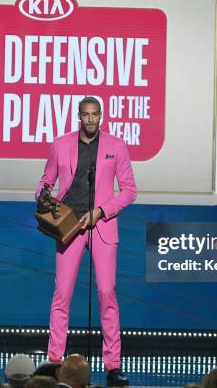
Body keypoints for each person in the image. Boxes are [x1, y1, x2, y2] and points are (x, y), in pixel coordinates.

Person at [36, 97, 137, 386]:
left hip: (101, 226)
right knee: (62, 295)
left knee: (107, 294)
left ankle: (113, 366)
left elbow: (129, 190)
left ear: (101, 116)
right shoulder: (60, 145)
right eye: (86, 115)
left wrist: (102, 211)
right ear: (78, 116)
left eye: (95, 115)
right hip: (69, 227)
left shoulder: (116, 146)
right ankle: (54, 363)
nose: (91, 120)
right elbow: (46, 182)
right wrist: (42, 195)